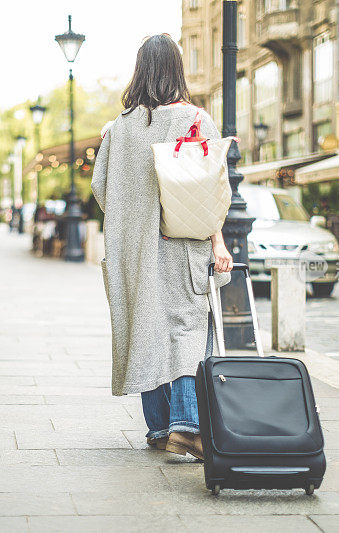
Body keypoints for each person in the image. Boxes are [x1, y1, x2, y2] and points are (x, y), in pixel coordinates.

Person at [91, 34, 233, 460]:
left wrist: (133, 217)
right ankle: (187, 427)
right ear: (176, 69)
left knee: (145, 328)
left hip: (133, 250)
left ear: (141, 70)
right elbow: (213, 189)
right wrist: (218, 241)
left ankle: (157, 427)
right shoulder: (194, 119)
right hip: (182, 245)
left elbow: (101, 187)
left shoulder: (118, 129)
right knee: (186, 331)